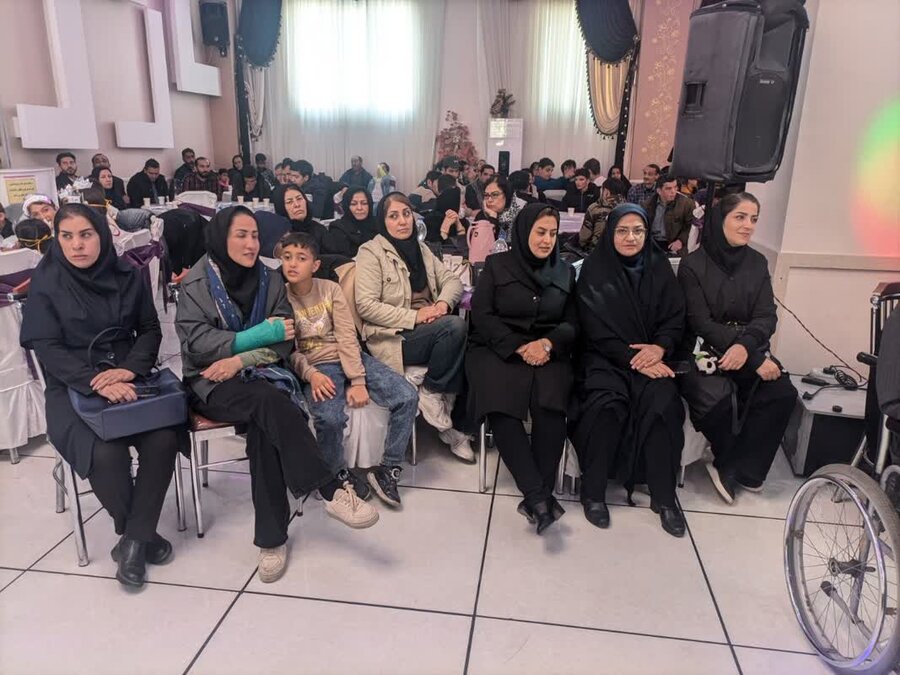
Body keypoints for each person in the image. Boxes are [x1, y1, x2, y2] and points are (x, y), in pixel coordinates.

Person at [176, 206, 379, 583]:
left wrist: (239, 359)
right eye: (241, 235)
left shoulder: (269, 280)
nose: (251, 244)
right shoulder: (196, 283)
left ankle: (271, 541)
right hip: (211, 382)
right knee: (270, 402)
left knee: (264, 423)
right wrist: (255, 337)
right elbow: (197, 344)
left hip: (262, 374)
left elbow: (285, 341)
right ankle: (330, 487)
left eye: (255, 235)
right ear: (220, 237)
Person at [20, 204, 180, 588]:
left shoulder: (127, 274)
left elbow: (149, 328)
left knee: (163, 438)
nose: (77, 245)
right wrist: (96, 381)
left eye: (86, 235)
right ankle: (140, 536)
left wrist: (130, 369)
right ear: (57, 240)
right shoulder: (47, 281)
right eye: (67, 236)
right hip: (72, 385)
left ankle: (132, 542)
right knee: (106, 454)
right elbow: (46, 346)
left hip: (129, 376)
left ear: (102, 236)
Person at [570, 203, 687, 537]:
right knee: (606, 404)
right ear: (610, 232)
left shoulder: (659, 267)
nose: (630, 237)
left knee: (664, 404)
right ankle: (593, 492)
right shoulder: (594, 270)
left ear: (647, 233)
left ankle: (664, 497)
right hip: (605, 358)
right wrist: (632, 359)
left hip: (652, 358)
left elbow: (675, 317)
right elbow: (592, 326)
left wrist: (659, 348)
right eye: (622, 230)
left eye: (638, 230)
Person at [280, 231, 418, 507]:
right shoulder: (280, 297)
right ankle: (335, 474)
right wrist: (311, 375)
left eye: (301, 258)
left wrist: (357, 380)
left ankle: (388, 468)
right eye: (287, 257)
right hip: (316, 366)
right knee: (329, 418)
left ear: (315, 265)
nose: (292, 264)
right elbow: (288, 351)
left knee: (407, 395)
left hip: (349, 356)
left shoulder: (329, 289)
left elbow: (346, 335)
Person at [678, 193, 797, 503]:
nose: (748, 226)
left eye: (754, 219)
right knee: (718, 401)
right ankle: (725, 460)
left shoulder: (757, 263)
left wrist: (747, 350)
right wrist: (751, 356)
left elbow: (766, 316)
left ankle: (747, 469)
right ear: (721, 220)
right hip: (702, 351)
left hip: (748, 346)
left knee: (781, 392)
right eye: (740, 217)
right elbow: (700, 322)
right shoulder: (693, 265)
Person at [468, 204, 576, 533]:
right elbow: (482, 314)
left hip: (547, 350)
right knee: (503, 406)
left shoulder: (565, 271)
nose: (546, 240)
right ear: (524, 230)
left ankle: (536, 499)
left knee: (550, 406)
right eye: (540, 232)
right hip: (498, 349)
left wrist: (548, 344)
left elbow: (573, 322)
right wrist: (517, 345)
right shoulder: (497, 265)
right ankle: (538, 495)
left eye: (553, 233)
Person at [354, 192, 473, 461]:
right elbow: (366, 306)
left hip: (431, 326)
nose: (402, 221)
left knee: (474, 345)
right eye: (393, 216)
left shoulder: (422, 250)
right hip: (394, 336)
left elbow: (452, 281)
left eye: (406, 214)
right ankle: (432, 392)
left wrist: (441, 305)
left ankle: (456, 425)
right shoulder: (371, 252)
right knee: (454, 328)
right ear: (383, 221)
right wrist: (416, 316)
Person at [643, 174, 695, 254]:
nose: (673, 191)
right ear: (659, 191)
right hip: (652, 243)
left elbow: (691, 226)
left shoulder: (687, 204)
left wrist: (681, 240)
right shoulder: (647, 205)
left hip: (674, 243)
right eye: (668, 188)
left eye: (675, 187)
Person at [323, 186, 378, 259]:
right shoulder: (338, 228)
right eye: (353, 204)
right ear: (346, 206)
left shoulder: (379, 225)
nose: (359, 208)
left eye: (364, 203)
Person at [578, 177, 628, 252]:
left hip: (596, 252)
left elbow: (584, 238)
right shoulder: (628, 210)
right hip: (622, 252)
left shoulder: (595, 208)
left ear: (606, 192)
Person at [473, 175, 520, 242]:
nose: (489, 200)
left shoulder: (519, 216)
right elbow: (481, 243)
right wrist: (492, 218)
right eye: (486, 195)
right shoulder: (481, 216)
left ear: (507, 195)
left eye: (495, 195)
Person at [423, 184, 468, 253]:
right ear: (454, 204)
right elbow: (434, 251)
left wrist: (459, 227)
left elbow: (465, 250)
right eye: (463, 204)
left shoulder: (463, 222)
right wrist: (444, 229)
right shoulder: (431, 221)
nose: (465, 207)